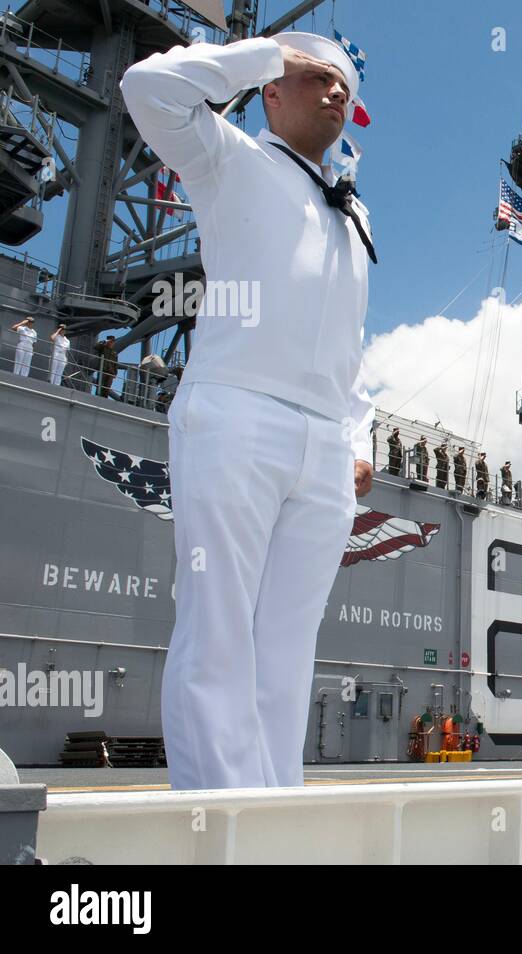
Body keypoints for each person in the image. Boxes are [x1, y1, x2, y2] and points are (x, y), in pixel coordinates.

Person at [121, 30, 375, 790]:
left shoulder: (357, 214)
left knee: (288, 647)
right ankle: (216, 820)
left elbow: (347, 337)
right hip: (236, 412)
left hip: (325, 442)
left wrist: (357, 433)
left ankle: (274, 818)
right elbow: (146, 87)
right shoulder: (228, 158)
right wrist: (269, 52)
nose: (337, 93)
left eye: (347, 89)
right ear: (274, 88)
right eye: (320, 78)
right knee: (221, 629)